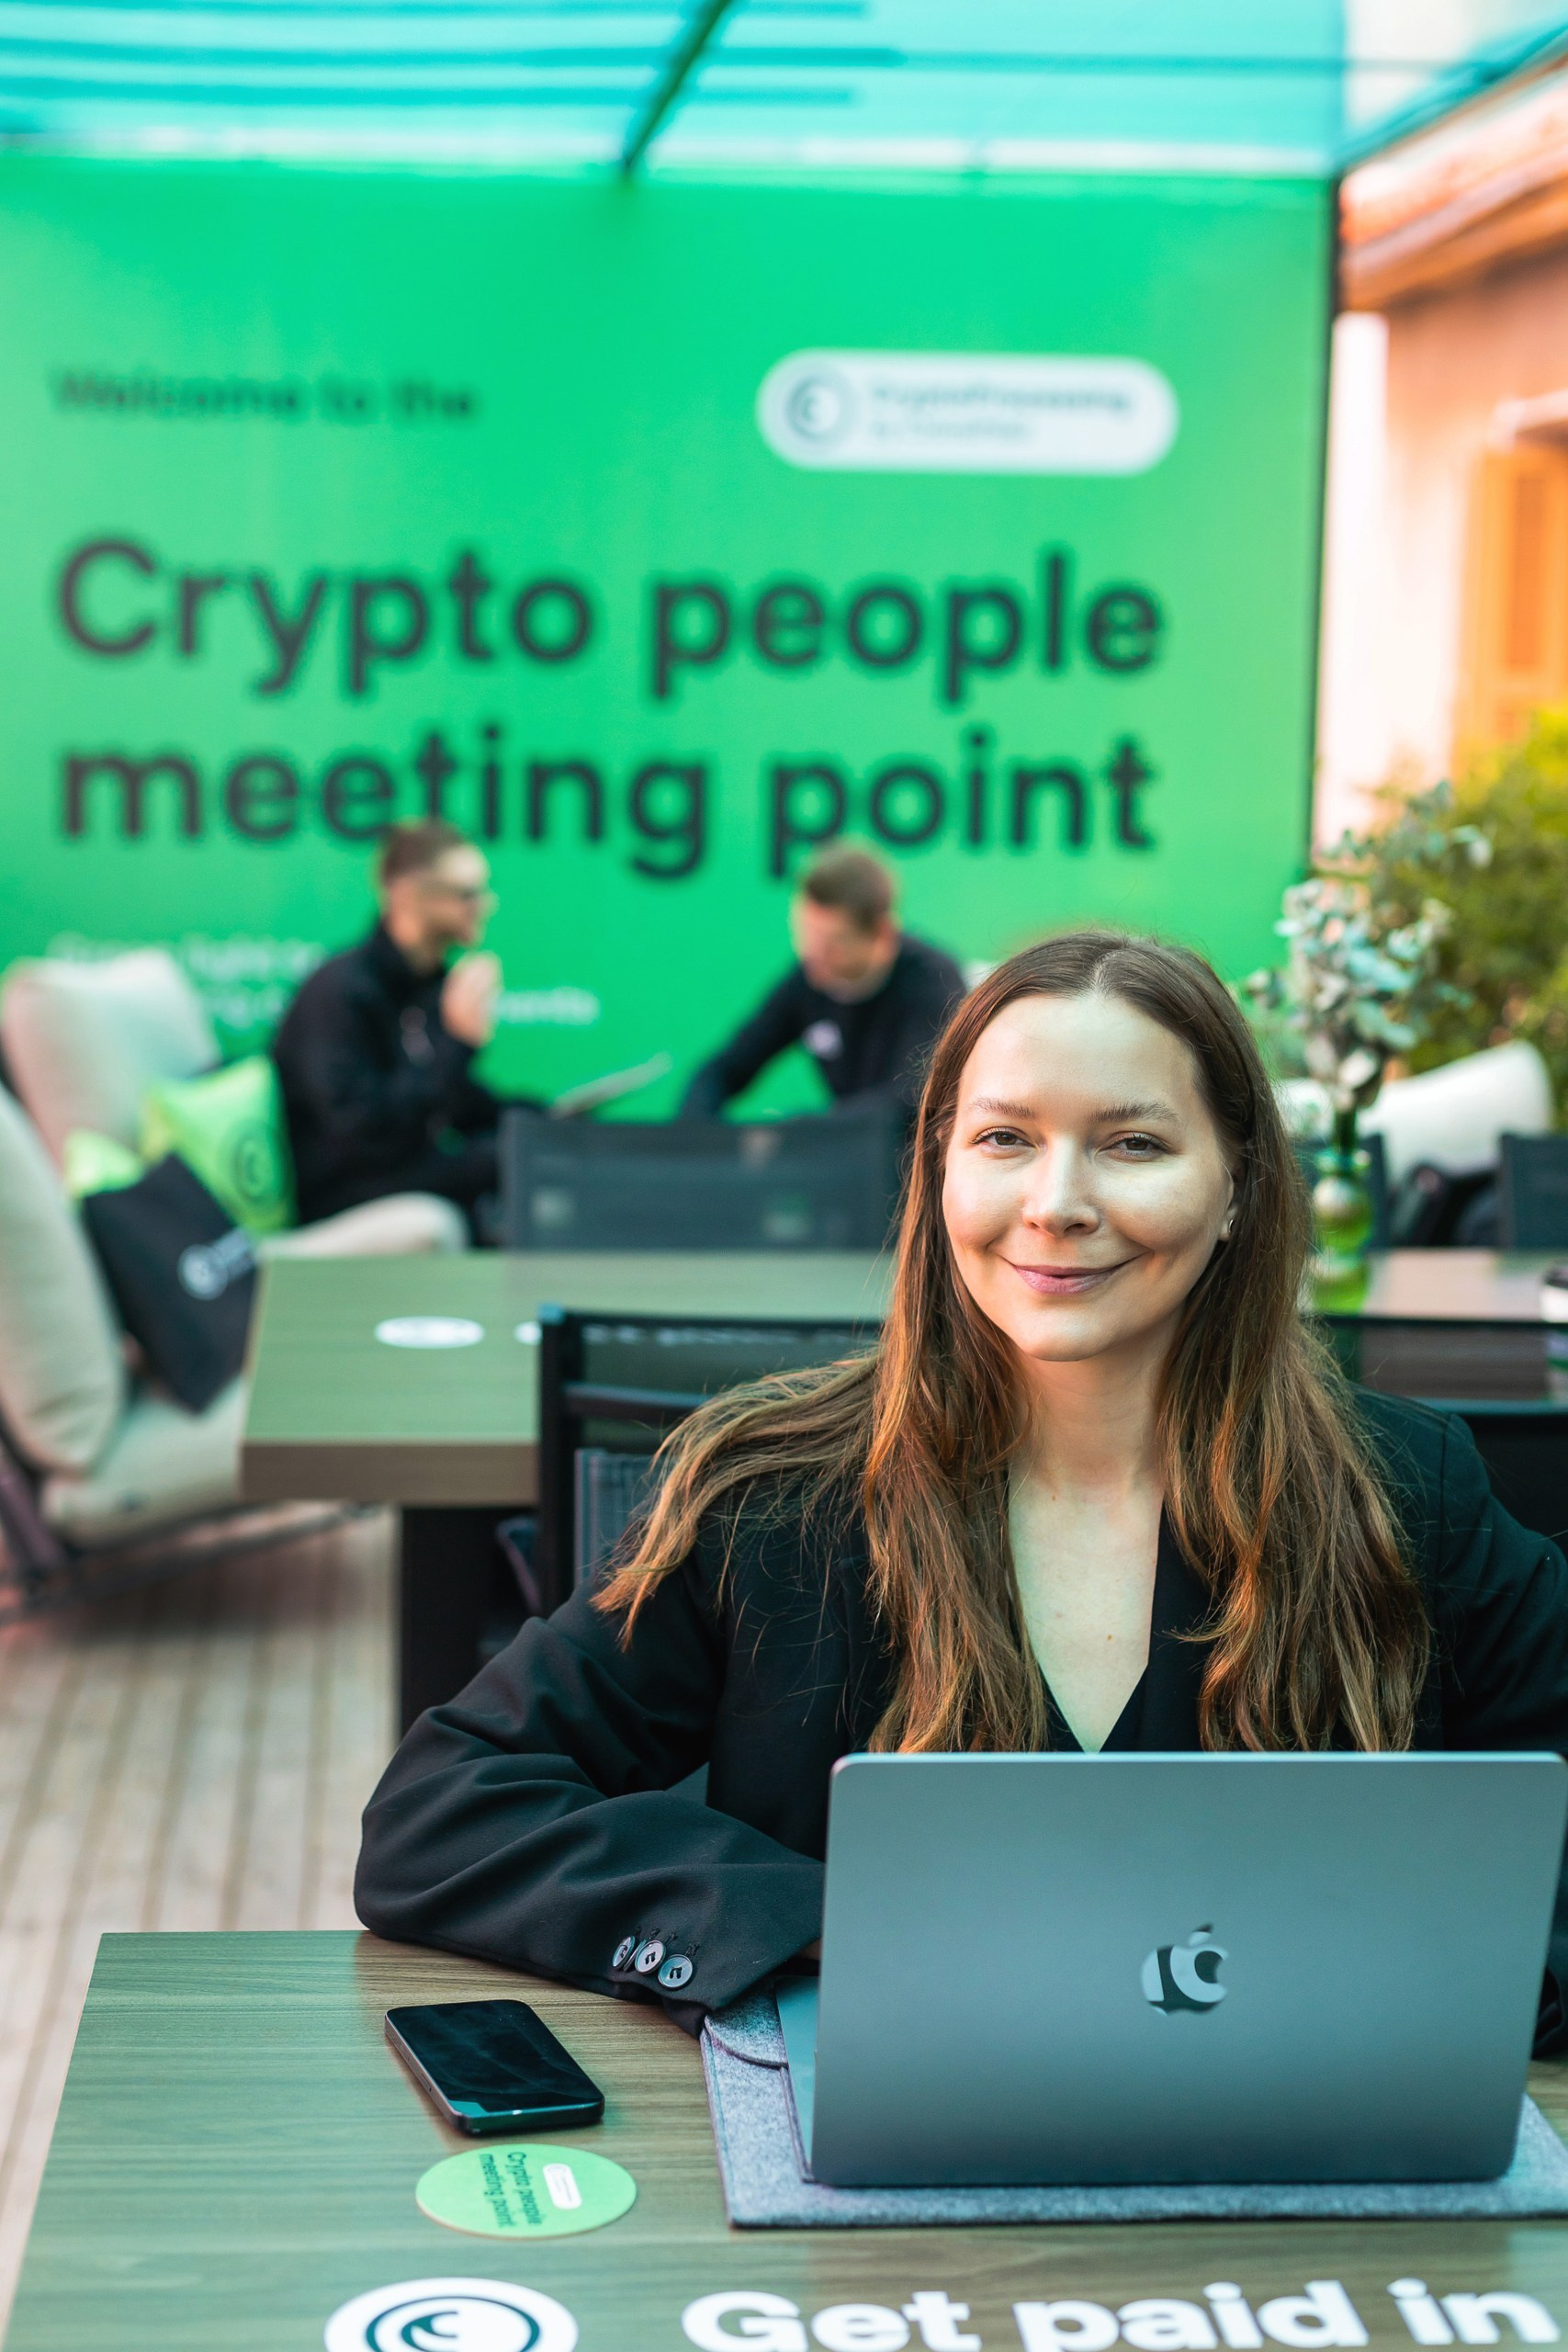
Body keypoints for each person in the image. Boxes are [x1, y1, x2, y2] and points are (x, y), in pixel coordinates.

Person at [355, 931, 1568, 2049]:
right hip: (881, 2187)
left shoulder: (1405, 1496)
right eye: (1003, 1139)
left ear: (1238, 1187)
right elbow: (442, 1814)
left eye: (1133, 1144)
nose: (1056, 1203)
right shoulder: (770, 1500)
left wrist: (1400, 1977)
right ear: (938, 1168)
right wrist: (821, 1922)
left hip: (1305, 2153)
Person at [274, 820, 514, 1232]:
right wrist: (458, 1043)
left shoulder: (428, 986)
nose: (482, 906)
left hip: (397, 1166)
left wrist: (545, 1121)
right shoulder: (341, 992)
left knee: (522, 1149)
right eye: (465, 894)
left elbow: (459, 1104)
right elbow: (368, 1138)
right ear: (407, 895)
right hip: (340, 1189)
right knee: (494, 1162)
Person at [679, 847, 964, 1125]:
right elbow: (725, 1069)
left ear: (881, 931)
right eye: (806, 934)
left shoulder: (934, 983)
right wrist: (692, 1134)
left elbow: (912, 1101)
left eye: (833, 943)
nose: (812, 953)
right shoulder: (808, 980)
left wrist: (806, 1130)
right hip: (842, 1143)